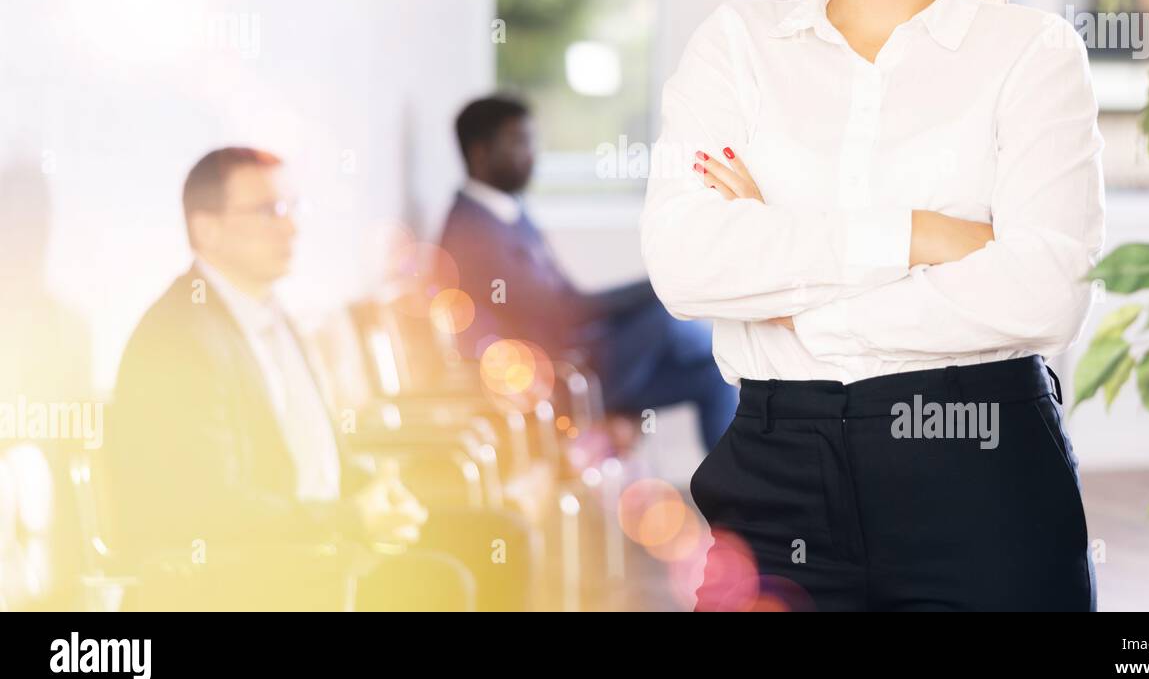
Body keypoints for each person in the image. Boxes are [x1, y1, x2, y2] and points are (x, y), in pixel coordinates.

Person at [640, 0, 1104, 611]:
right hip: (776, 477)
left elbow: (1046, 291)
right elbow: (686, 264)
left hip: (983, 473)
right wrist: (921, 236)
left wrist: (785, 283)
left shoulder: (1032, 53)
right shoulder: (739, 45)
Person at [108, 147, 475, 610]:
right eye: (268, 211)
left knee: (491, 536)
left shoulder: (272, 312)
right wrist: (347, 519)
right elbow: (206, 507)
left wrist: (377, 492)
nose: (291, 227)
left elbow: (314, 454)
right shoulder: (180, 336)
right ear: (207, 229)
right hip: (249, 572)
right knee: (442, 583)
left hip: (317, 542)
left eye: (291, 208)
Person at [438, 95, 738, 450]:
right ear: (480, 153)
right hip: (554, 376)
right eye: (519, 142)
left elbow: (565, 302)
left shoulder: (508, 213)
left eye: (533, 141)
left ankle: (734, 500)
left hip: (576, 359)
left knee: (711, 375)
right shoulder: (473, 232)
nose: (533, 154)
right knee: (663, 315)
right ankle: (717, 344)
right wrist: (657, 286)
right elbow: (561, 313)